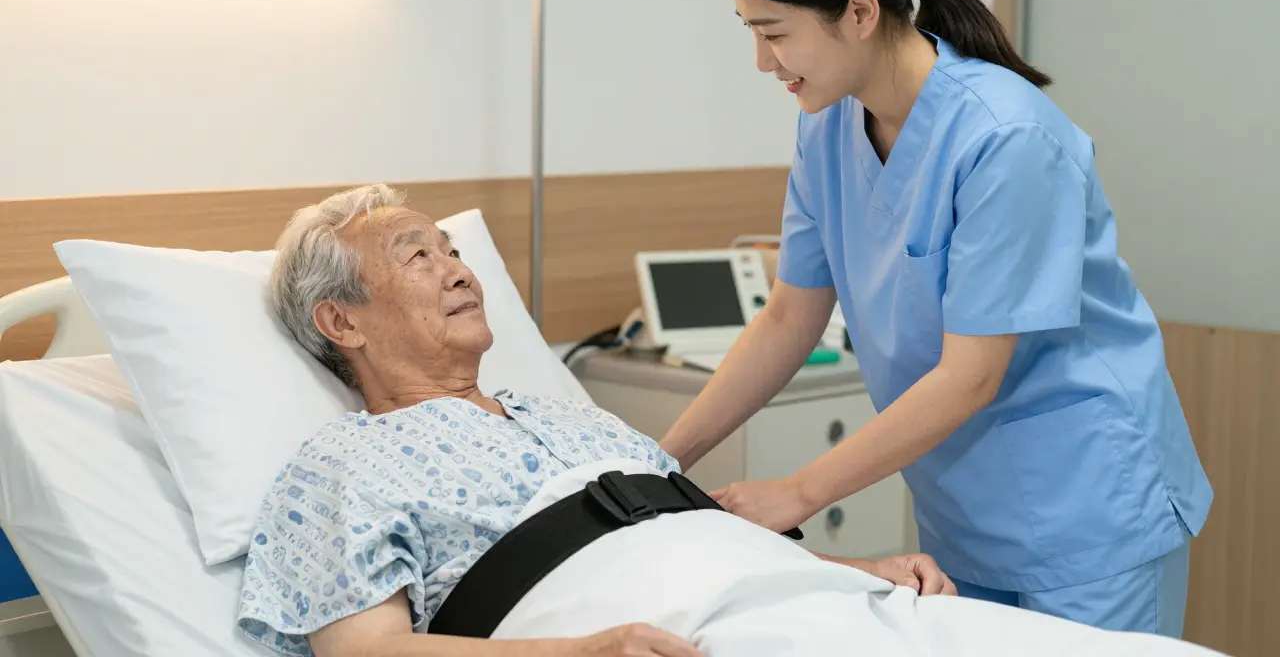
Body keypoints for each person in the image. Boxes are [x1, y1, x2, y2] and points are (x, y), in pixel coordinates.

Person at [658, 0, 1212, 639]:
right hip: (966, 513)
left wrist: (795, 494)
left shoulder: (1005, 137)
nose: (764, 62)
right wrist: (657, 462)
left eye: (774, 34)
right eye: (752, 34)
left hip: (1087, 506)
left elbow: (970, 377)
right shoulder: (826, 128)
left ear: (859, 12)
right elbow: (789, 318)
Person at [236, 184, 958, 657]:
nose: (458, 271)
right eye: (418, 257)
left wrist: (862, 570)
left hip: (810, 611)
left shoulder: (573, 419)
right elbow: (368, 652)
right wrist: (582, 651)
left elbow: (701, 544)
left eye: (452, 251)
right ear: (341, 322)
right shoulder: (344, 465)